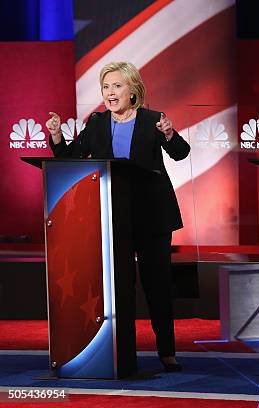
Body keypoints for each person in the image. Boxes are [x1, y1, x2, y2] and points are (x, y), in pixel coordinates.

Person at [46, 62, 190, 373]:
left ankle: (167, 351)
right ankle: (122, 353)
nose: (111, 93)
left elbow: (181, 153)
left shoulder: (153, 120)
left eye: (117, 86)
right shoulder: (96, 124)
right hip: (113, 217)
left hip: (152, 216)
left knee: (157, 285)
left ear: (133, 91)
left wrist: (169, 134)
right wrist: (57, 137)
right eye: (106, 87)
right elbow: (70, 158)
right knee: (119, 287)